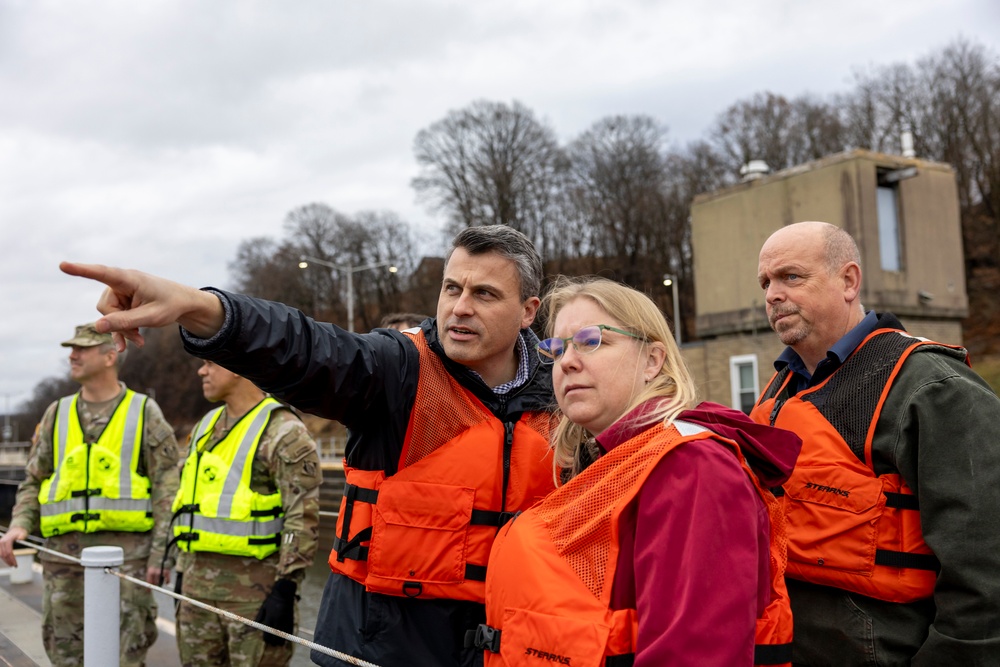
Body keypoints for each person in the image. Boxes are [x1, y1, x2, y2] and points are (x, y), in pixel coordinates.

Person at [60, 224, 558, 667]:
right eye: (452, 287)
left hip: (513, 648)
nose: (460, 307)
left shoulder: (565, 397)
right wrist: (203, 309)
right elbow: (308, 350)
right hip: (383, 650)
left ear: (527, 312)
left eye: (485, 294)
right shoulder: (398, 370)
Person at [475, 277, 802, 666]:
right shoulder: (600, 462)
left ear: (652, 360)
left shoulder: (692, 468)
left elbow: (694, 655)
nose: (567, 361)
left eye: (591, 340)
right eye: (557, 348)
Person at [751, 221, 1000, 665]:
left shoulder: (931, 388)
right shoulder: (776, 392)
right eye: (765, 282)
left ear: (848, 281)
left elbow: (985, 572)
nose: (772, 294)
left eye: (791, 277)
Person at [0, 323, 180, 667]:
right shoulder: (57, 413)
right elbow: (34, 479)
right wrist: (19, 524)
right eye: (72, 348)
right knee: (65, 653)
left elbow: (167, 489)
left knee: (128, 652)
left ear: (110, 356)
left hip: (127, 559)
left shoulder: (144, 412)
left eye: (82, 348)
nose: (72, 355)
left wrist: (161, 555)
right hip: (63, 560)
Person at [172, 360, 322, 666]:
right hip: (195, 592)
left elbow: (302, 517)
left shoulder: (284, 431)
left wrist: (286, 588)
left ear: (237, 364)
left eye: (210, 363)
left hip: (255, 599)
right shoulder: (205, 425)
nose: (202, 371)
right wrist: (179, 571)